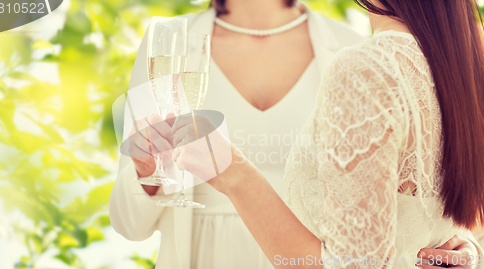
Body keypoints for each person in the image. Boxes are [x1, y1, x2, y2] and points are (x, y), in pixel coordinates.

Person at [109, 0, 484, 268]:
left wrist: (458, 243)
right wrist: (145, 174)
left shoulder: (354, 46)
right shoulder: (168, 41)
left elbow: (418, 192)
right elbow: (128, 223)